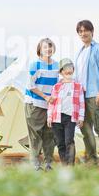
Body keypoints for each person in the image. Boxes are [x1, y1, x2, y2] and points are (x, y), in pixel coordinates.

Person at [74, 20, 99, 168]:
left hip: (94, 95)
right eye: (80, 31)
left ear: (92, 32)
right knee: (86, 129)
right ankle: (92, 161)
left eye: (86, 30)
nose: (83, 33)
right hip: (81, 97)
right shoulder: (80, 52)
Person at [24, 38, 58, 171]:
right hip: (35, 104)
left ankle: (49, 163)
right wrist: (45, 96)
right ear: (40, 49)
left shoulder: (57, 66)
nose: (48, 49)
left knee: (50, 135)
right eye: (45, 47)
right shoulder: (35, 65)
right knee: (35, 135)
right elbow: (30, 85)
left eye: (50, 47)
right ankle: (35, 165)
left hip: (50, 106)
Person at [47, 58, 84, 166]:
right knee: (60, 143)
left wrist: (81, 117)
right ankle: (64, 164)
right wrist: (49, 117)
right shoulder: (56, 87)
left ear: (73, 69)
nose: (68, 71)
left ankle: (70, 165)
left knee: (69, 141)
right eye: (65, 69)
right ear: (61, 72)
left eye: (70, 68)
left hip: (70, 118)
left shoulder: (78, 86)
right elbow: (51, 103)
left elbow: (81, 103)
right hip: (56, 118)